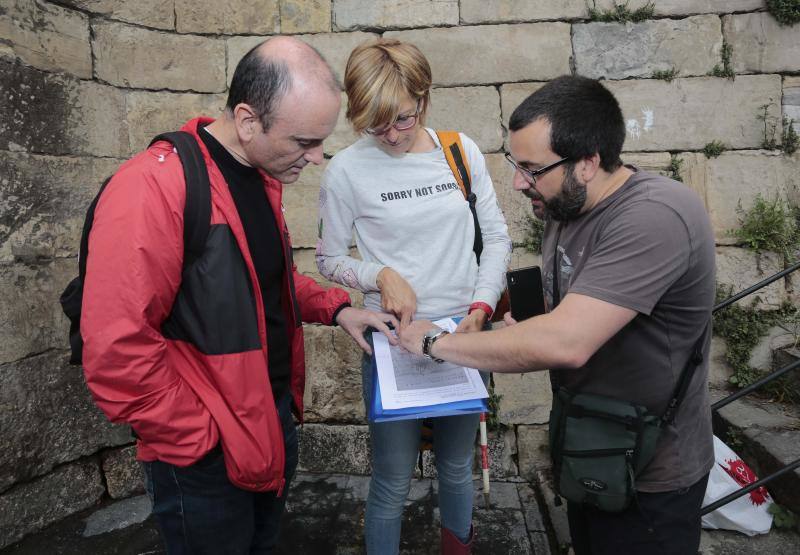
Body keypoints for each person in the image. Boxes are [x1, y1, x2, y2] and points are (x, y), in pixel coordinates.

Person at [80, 37, 396, 554]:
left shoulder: (258, 175)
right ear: (249, 121)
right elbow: (115, 350)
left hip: (266, 423)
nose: (316, 159)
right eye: (303, 142)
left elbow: (260, 280)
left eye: (321, 142)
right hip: (205, 455)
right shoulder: (153, 188)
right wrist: (202, 439)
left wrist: (338, 309)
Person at [399, 75, 716, 554]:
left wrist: (433, 344)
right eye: (514, 163)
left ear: (588, 162)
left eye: (531, 168)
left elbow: (567, 341)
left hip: (651, 475)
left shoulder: (656, 215)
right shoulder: (565, 207)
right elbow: (574, 306)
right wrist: (526, 321)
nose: (517, 181)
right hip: (591, 450)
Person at [315, 38, 511, 554]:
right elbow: (328, 258)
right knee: (392, 479)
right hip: (395, 339)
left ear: (423, 99)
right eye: (377, 124)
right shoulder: (347, 171)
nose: (393, 135)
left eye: (403, 118)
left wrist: (481, 308)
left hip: (464, 333)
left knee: (455, 469)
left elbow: (496, 238)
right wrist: (379, 274)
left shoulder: (459, 151)